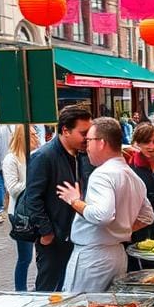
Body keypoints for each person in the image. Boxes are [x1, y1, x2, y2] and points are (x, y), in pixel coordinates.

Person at [57, 117, 154, 292]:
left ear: (101, 143)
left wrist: (74, 201)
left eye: (89, 141)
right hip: (116, 253)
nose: (86, 147)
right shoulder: (132, 175)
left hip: (94, 255)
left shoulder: (102, 174)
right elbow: (148, 216)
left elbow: (102, 215)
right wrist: (120, 229)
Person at [27, 105, 94, 292]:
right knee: (47, 291)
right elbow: (33, 199)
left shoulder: (83, 155)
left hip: (77, 237)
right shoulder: (43, 156)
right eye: (83, 133)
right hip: (55, 239)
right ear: (65, 130)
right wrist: (47, 233)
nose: (87, 138)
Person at [3, 124, 39, 291]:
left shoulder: (37, 156)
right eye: (32, 134)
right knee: (25, 257)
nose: (36, 137)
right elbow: (12, 189)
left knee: (43, 254)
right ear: (22, 137)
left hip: (38, 210)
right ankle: (20, 291)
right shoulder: (11, 159)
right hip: (20, 212)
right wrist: (34, 180)